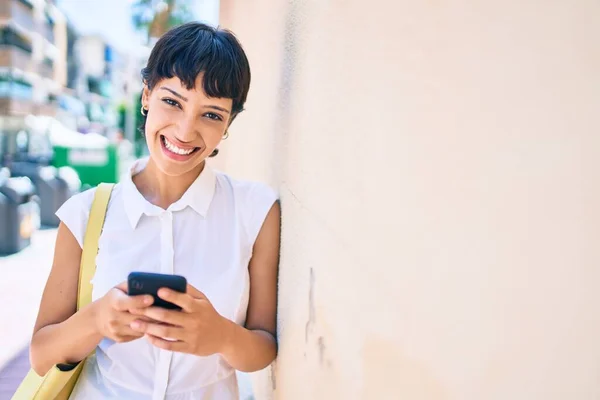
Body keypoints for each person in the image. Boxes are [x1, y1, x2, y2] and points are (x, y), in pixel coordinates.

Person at [29, 22, 280, 400]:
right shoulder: (84, 215)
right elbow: (40, 355)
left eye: (211, 114)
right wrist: (98, 320)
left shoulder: (256, 211)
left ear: (228, 125)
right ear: (146, 95)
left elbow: (264, 347)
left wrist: (220, 335)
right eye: (172, 101)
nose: (184, 130)